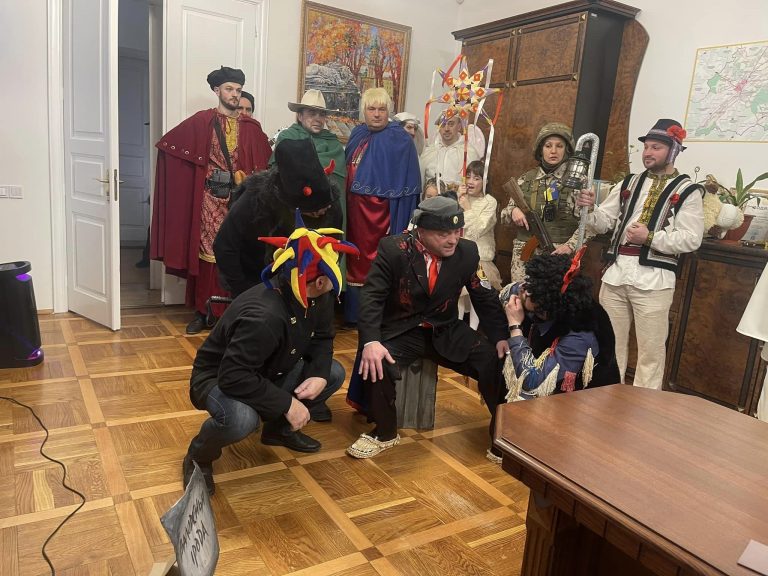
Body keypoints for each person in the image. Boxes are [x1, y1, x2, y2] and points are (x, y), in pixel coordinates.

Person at [183, 214, 359, 495]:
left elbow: (323, 338)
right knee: (241, 420)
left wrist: (318, 375)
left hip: (270, 368)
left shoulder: (318, 294)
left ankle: (278, 431)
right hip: (219, 378)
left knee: (332, 373)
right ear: (319, 281)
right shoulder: (264, 316)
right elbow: (233, 377)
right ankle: (198, 456)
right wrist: (288, 404)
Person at [346, 196, 509, 461]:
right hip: (402, 330)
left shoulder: (468, 252)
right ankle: (384, 433)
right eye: (443, 234)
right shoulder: (393, 249)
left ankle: (502, 437)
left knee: (494, 360)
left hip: (445, 328)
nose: (453, 240)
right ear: (421, 231)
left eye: (457, 232)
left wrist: (501, 336)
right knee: (377, 361)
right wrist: (371, 341)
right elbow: (372, 297)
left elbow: (484, 297)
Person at [576, 118, 705, 390]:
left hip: (654, 280)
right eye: (646, 147)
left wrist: (650, 238)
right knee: (608, 344)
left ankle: (644, 409)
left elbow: (691, 239)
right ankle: (607, 399)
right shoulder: (629, 183)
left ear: (674, 151)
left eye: (656, 147)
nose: (648, 152)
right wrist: (588, 208)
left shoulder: (687, 190)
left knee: (650, 353)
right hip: (616, 275)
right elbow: (603, 222)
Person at [150, 66, 271, 334]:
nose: (234, 94)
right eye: (229, 89)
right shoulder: (202, 121)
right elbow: (169, 147)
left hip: (242, 202)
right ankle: (204, 311)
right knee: (209, 253)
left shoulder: (251, 128)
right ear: (217, 91)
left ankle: (236, 311)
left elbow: (265, 165)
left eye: (238, 90)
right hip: (210, 199)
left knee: (239, 251)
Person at [213, 138, 343, 298]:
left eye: (325, 207)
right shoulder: (254, 199)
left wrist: (325, 278)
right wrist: (244, 292)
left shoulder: (330, 203)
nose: (322, 212)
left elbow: (335, 248)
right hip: (254, 281)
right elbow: (225, 246)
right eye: (313, 211)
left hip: (308, 286)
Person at [501, 251, 621, 405]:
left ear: (544, 308)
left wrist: (515, 326)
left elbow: (532, 382)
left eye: (527, 292)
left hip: (584, 404)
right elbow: (508, 292)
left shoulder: (578, 336)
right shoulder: (553, 296)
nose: (522, 288)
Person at [344, 87, 422, 326]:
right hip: (354, 217)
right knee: (354, 261)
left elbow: (408, 186)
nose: (377, 114)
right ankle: (353, 315)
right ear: (363, 111)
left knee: (381, 264)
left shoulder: (401, 139)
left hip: (384, 217)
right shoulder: (357, 134)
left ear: (389, 111)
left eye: (382, 109)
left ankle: (377, 317)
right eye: (371, 109)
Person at [500, 122, 586, 283]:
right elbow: (504, 216)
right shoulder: (526, 179)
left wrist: (570, 246)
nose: (553, 151)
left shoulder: (577, 181)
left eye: (559, 146)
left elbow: (589, 223)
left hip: (558, 255)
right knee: (520, 295)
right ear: (541, 150)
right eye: (548, 146)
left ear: (567, 150)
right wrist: (513, 211)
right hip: (524, 257)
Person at [269, 90, 347, 216]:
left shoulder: (333, 143)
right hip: (294, 212)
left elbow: (338, 184)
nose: (318, 119)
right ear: (300, 116)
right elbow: (279, 178)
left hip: (328, 213)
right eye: (312, 113)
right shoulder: (288, 138)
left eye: (322, 114)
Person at [457, 160, 502, 328]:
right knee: (456, 295)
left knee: (476, 296)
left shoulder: (490, 202)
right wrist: (457, 200)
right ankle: (455, 329)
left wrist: (467, 208)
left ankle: (473, 331)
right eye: (468, 177)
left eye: (476, 178)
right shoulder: (460, 198)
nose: (470, 181)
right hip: (457, 255)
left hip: (480, 258)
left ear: (485, 181)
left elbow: (478, 230)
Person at [419, 112, 481, 189]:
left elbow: (476, 183)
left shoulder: (469, 152)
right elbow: (420, 181)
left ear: (459, 126)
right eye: (443, 125)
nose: (446, 129)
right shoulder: (429, 151)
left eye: (451, 124)